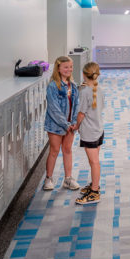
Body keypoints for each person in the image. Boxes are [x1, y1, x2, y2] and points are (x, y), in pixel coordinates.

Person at [43, 55, 80, 191]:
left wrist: (74, 122)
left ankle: (68, 179)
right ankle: (48, 179)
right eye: (65, 67)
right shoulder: (53, 86)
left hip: (70, 125)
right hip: (56, 125)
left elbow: (76, 104)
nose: (69, 69)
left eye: (70, 67)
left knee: (67, 150)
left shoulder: (73, 85)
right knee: (54, 151)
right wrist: (66, 124)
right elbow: (54, 109)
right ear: (58, 68)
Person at [74, 61, 105, 205]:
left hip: (89, 132)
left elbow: (81, 113)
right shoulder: (99, 89)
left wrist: (75, 126)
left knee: (94, 162)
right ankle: (94, 185)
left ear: (84, 74)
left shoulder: (85, 92)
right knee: (95, 161)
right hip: (98, 129)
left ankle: (94, 192)